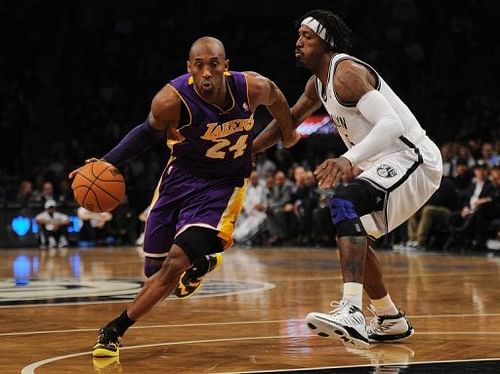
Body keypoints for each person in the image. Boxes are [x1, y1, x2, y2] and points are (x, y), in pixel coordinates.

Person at [70, 36, 299, 358]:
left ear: (226, 67)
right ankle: (202, 262)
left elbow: (276, 98)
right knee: (155, 271)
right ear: (190, 68)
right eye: (200, 66)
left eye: (214, 65)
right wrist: (108, 161)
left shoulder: (252, 87)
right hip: (179, 180)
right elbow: (145, 133)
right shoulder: (171, 99)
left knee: (174, 263)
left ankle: (113, 330)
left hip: (223, 185)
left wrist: (287, 133)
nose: (207, 72)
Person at [252, 9, 442, 348]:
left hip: (412, 158)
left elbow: (391, 126)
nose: (298, 43)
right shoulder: (318, 83)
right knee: (355, 234)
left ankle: (352, 310)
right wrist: (248, 151)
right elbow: (289, 121)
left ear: (326, 42)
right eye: (297, 36)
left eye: (306, 37)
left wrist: (346, 158)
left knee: (343, 202)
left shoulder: (346, 73)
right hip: (384, 164)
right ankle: (389, 318)